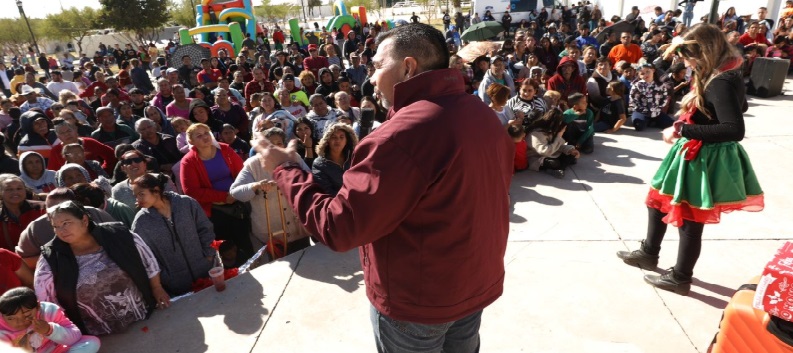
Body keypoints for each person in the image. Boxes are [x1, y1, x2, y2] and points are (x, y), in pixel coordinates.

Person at [255, 23, 512, 352]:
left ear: (408, 67)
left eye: (376, 66)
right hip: (474, 283)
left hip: (417, 302)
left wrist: (286, 168)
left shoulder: (400, 135)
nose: (371, 79)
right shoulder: (480, 113)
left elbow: (339, 227)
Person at [617, 24, 765, 295]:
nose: (683, 61)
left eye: (687, 55)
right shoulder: (720, 71)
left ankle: (680, 277)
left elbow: (734, 129)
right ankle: (649, 253)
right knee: (658, 200)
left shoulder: (720, 80)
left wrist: (683, 128)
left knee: (689, 218)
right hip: (694, 148)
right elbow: (739, 105)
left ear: (704, 52)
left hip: (705, 156)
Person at [35, 201, 169, 336]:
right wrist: (64, 330)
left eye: (66, 223)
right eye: (55, 226)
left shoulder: (117, 234)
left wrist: (157, 287)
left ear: (84, 220)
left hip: (143, 315)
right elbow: (46, 298)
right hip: (97, 334)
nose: (61, 231)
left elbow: (148, 260)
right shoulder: (51, 257)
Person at [131, 173, 216, 296]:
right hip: (176, 288)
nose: (137, 200)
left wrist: (209, 255)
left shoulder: (186, 204)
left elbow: (205, 229)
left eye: (141, 194)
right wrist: (166, 277)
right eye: (136, 196)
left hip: (207, 272)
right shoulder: (141, 223)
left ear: (156, 190)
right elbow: (145, 256)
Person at [230, 129, 312, 255]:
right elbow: (235, 192)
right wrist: (256, 186)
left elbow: (309, 179)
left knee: (305, 259)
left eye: (279, 143)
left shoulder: (293, 157)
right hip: (270, 232)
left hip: (298, 229)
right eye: (270, 144)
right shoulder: (253, 164)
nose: (274, 147)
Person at [179, 123, 251, 257]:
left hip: (238, 204)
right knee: (225, 248)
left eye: (206, 133)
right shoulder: (188, 162)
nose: (205, 137)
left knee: (245, 242)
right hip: (214, 211)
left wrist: (237, 192)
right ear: (191, 141)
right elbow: (191, 191)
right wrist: (224, 197)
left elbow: (242, 172)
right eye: (199, 136)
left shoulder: (225, 150)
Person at [0, 287, 101, 352]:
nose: (20, 322)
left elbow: (75, 336)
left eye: (27, 315)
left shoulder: (48, 310)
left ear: (38, 306)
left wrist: (50, 330)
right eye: (11, 318)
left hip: (57, 349)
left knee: (91, 343)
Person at [526, 109, 580, 178]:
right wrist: (559, 136)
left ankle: (558, 168)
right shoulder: (536, 133)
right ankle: (556, 169)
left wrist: (570, 149)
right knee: (554, 163)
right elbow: (545, 152)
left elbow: (557, 145)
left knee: (571, 156)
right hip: (537, 157)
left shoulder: (549, 130)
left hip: (551, 153)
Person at [0, 174, 46, 252]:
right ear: (1, 193)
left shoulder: (42, 209)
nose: (15, 192)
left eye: (19, 188)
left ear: (25, 190)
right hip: (13, 262)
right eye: (9, 189)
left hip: (45, 258)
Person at [311, 123, 358, 196]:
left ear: (346, 140)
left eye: (341, 137)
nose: (337, 140)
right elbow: (327, 191)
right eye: (333, 137)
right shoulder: (319, 164)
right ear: (327, 141)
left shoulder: (354, 157)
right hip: (337, 203)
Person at [629, 63, 674, 131]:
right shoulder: (637, 85)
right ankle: (646, 120)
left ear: (653, 71)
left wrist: (659, 107)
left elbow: (664, 98)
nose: (646, 75)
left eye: (648, 72)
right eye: (642, 73)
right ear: (639, 75)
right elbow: (632, 99)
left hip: (656, 111)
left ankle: (653, 121)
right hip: (641, 111)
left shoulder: (660, 85)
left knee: (671, 124)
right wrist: (639, 109)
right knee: (639, 125)